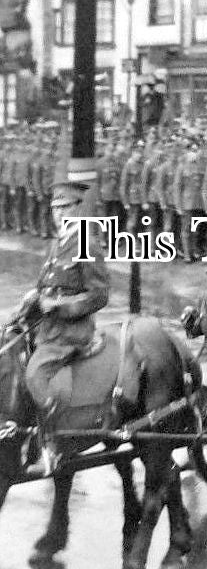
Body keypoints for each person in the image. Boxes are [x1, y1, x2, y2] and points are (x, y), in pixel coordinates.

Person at [23, 176, 109, 476]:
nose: (59, 214)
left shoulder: (86, 240)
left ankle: (54, 441)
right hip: (47, 327)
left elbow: (99, 295)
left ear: (77, 208)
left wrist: (59, 307)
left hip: (73, 331)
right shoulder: (58, 242)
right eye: (55, 208)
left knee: (35, 374)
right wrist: (34, 296)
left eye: (65, 207)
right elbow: (47, 284)